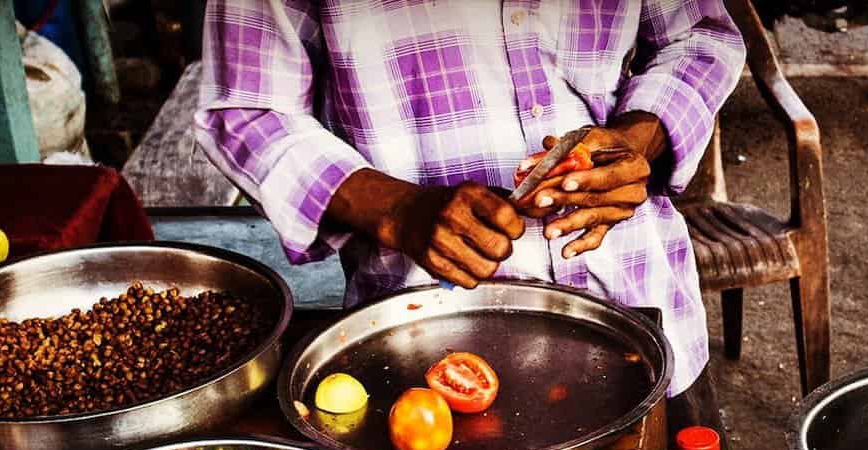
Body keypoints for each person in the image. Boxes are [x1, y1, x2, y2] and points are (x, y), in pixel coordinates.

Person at [195, 1, 746, 400]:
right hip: (424, 346)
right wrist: (397, 210)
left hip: (641, 297)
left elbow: (699, 36)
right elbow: (247, 109)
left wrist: (637, 138)